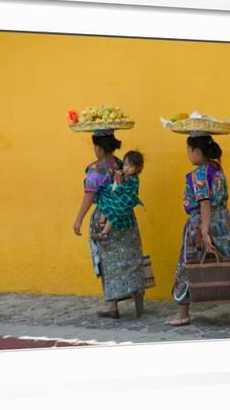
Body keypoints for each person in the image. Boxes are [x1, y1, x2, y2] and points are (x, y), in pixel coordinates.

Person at [165, 133, 230, 327]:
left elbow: (204, 203)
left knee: (188, 264)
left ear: (197, 151)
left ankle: (182, 313)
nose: (188, 155)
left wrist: (205, 232)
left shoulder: (199, 174)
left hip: (202, 224)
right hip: (224, 220)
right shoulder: (217, 168)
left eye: (189, 150)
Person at [73, 130, 145, 319]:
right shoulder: (123, 164)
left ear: (99, 148)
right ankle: (137, 294)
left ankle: (112, 305)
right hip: (126, 217)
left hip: (105, 215)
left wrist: (79, 219)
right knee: (129, 256)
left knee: (108, 260)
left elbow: (89, 195)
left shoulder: (96, 169)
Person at [91, 150, 144, 242]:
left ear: (137, 169)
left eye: (131, 166)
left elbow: (123, 189)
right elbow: (114, 186)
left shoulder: (134, 179)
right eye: (126, 165)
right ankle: (101, 222)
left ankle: (104, 233)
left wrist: (119, 181)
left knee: (113, 209)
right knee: (105, 198)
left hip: (125, 203)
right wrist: (116, 178)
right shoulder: (123, 174)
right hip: (119, 199)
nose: (127, 168)